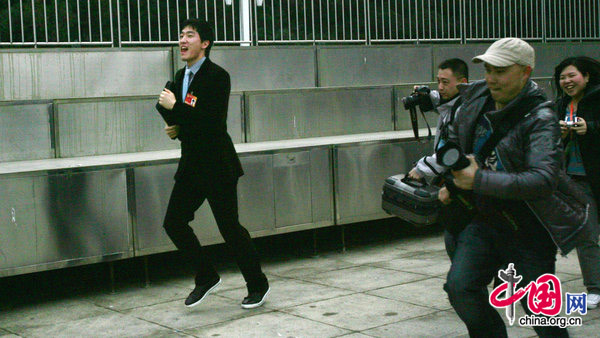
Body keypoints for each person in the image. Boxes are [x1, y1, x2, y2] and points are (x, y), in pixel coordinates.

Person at [441, 38, 586, 337]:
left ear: (525, 72)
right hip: (483, 220)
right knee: (460, 287)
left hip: (528, 229)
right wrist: (452, 184)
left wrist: (478, 180)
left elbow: (543, 179)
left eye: (501, 70)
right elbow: (462, 144)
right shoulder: (478, 98)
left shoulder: (541, 118)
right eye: (489, 69)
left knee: (541, 314)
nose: (492, 77)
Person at [156, 18, 269, 309]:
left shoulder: (218, 76)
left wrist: (176, 111)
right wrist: (176, 126)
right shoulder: (180, 77)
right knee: (174, 223)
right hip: (192, 165)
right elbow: (179, 115)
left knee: (229, 228)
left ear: (204, 43)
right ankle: (205, 275)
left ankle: (257, 284)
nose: (182, 40)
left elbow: (212, 122)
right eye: (181, 35)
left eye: (189, 35)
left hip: (217, 165)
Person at [407, 58, 468, 260]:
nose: (440, 87)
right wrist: (427, 96)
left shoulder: (465, 111)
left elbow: (452, 151)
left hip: (463, 184)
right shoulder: (455, 101)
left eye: (445, 82)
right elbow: (444, 102)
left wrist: (423, 168)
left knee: (458, 243)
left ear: (463, 82)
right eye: (438, 81)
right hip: (454, 183)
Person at [554, 56, 600, 309]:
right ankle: (594, 287)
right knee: (587, 234)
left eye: (572, 75)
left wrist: (590, 128)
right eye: (563, 77)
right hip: (577, 180)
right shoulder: (561, 105)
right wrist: (559, 134)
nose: (567, 81)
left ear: (587, 76)